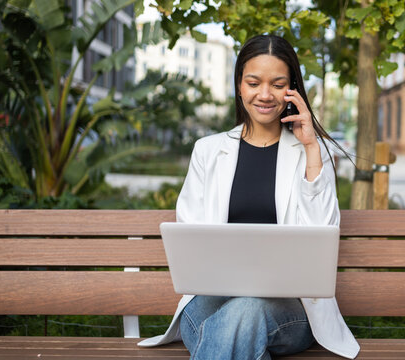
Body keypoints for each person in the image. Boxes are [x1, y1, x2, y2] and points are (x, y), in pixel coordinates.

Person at [137, 34, 360, 359]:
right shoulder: (209, 151)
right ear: (239, 85)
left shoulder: (312, 152)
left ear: (292, 89)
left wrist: (312, 148)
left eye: (278, 83)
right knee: (239, 330)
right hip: (209, 301)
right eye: (253, 82)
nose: (265, 94)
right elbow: (191, 235)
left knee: (245, 314)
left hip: (289, 310)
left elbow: (322, 234)